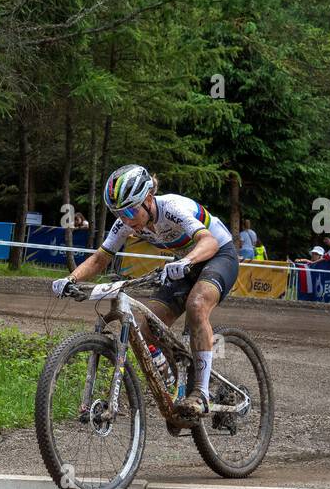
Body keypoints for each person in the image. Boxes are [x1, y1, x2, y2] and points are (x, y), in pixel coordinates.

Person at [52, 164, 239, 418]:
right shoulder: (126, 223)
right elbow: (100, 259)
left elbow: (209, 241)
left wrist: (185, 263)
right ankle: (178, 375)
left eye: (130, 210)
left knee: (197, 305)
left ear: (148, 199)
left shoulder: (172, 208)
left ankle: (202, 394)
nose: (126, 219)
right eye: (118, 213)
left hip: (218, 254)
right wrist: (70, 278)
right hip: (184, 263)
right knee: (147, 325)